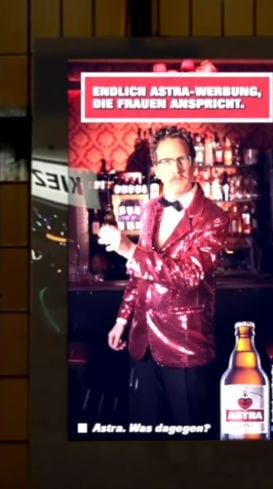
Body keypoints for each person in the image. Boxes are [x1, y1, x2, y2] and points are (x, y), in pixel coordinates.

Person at [97, 125, 229, 429]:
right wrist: (122, 319)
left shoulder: (213, 218)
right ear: (156, 169)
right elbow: (138, 273)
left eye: (182, 159)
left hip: (185, 344)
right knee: (143, 431)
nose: (176, 168)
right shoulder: (150, 209)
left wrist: (129, 249)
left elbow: (189, 276)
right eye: (167, 161)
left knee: (189, 433)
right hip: (142, 342)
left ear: (193, 163)